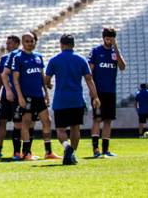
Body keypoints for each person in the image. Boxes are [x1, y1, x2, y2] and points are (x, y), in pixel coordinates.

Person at [44, 34, 101, 166]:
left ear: (61, 44)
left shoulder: (54, 60)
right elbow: (89, 79)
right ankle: (72, 153)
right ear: (73, 45)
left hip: (61, 100)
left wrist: (49, 84)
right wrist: (96, 97)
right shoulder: (81, 60)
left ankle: (66, 147)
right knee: (75, 128)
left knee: (60, 129)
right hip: (76, 99)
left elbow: (47, 79)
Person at [11, 32, 59, 161]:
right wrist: (20, 97)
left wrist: (46, 94)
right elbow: (15, 79)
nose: (30, 43)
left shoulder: (39, 57)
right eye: (27, 41)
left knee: (47, 121)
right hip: (26, 96)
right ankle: (26, 153)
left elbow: (41, 77)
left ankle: (48, 152)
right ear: (23, 42)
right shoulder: (18, 57)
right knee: (26, 123)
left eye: (32, 41)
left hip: (39, 96)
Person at [88, 27, 126, 158]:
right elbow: (90, 73)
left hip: (111, 91)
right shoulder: (96, 51)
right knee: (97, 119)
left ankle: (105, 150)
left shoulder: (115, 53)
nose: (109, 41)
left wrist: (116, 49)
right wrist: (92, 93)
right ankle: (95, 149)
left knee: (108, 120)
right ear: (103, 38)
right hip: (98, 92)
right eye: (107, 38)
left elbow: (122, 67)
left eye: (111, 38)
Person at [0, 35, 21, 159]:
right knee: (2, 122)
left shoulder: (21, 57)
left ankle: (17, 151)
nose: (7, 45)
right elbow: (1, 76)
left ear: (16, 44)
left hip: (17, 95)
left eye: (9, 43)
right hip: (5, 95)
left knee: (18, 123)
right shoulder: (4, 58)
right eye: (7, 43)